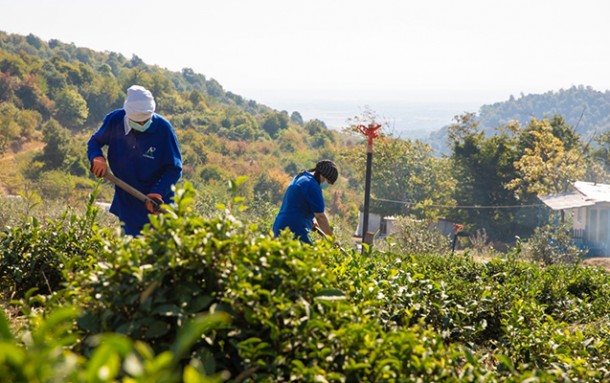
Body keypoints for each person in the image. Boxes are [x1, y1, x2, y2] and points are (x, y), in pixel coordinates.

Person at [87, 85, 182, 236]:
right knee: (131, 251)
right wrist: (97, 157)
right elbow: (94, 142)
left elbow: (174, 168)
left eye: (145, 121)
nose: (142, 125)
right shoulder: (115, 120)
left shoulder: (164, 129)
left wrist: (157, 192)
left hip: (157, 203)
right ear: (128, 115)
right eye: (139, 122)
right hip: (128, 199)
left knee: (158, 250)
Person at [272, 160, 338, 244]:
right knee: (309, 256)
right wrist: (332, 239)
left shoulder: (300, 177)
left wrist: (312, 220)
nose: (327, 185)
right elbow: (320, 216)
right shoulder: (312, 185)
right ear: (322, 176)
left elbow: (299, 204)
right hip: (295, 229)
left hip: (279, 226)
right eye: (328, 182)